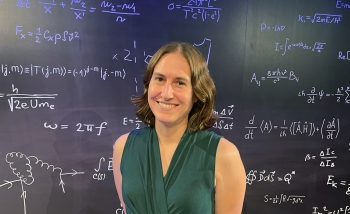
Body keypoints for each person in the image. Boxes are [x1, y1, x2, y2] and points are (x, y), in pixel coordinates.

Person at [113, 42, 246, 214]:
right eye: (160, 79)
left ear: (197, 93)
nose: (167, 94)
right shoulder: (123, 148)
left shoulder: (224, 155)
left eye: (180, 83)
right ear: (148, 85)